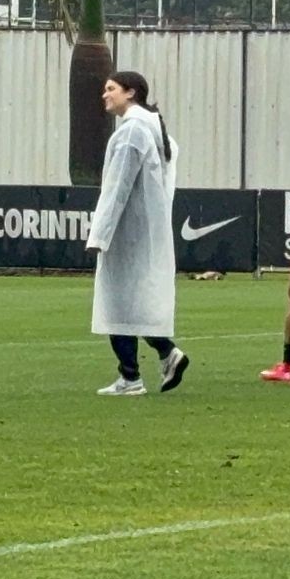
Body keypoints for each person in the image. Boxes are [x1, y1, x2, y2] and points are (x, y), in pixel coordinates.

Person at [86, 71, 191, 396]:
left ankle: (130, 376)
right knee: (133, 301)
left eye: (111, 89)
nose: (105, 95)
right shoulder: (154, 130)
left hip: (127, 230)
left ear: (130, 92)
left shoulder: (132, 133)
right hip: (146, 229)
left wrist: (99, 234)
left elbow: (117, 187)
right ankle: (165, 354)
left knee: (117, 302)